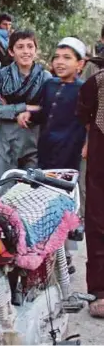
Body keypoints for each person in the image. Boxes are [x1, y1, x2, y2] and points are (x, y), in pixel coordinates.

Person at [0, 30, 51, 183]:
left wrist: (11, 108)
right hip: (5, 144)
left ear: (36, 51)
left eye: (30, 46)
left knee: (30, 194)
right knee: (1, 190)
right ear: (11, 51)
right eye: (20, 47)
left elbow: (48, 110)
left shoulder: (45, 78)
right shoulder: (3, 76)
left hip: (33, 144)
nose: (26, 51)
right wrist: (26, 107)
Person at [17, 37, 87, 170]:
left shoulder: (84, 90)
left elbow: (91, 123)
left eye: (67, 57)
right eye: (57, 57)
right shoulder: (50, 84)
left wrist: (87, 145)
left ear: (80, 64)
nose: (60, 62)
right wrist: (29, 115)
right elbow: (45, 112)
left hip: (70, 152)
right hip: (45, 148)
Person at [76, 54, 104, 318]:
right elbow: (83, 114)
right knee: (97, 223)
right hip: (100, 159)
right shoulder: (94, 84)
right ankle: (99, 291)